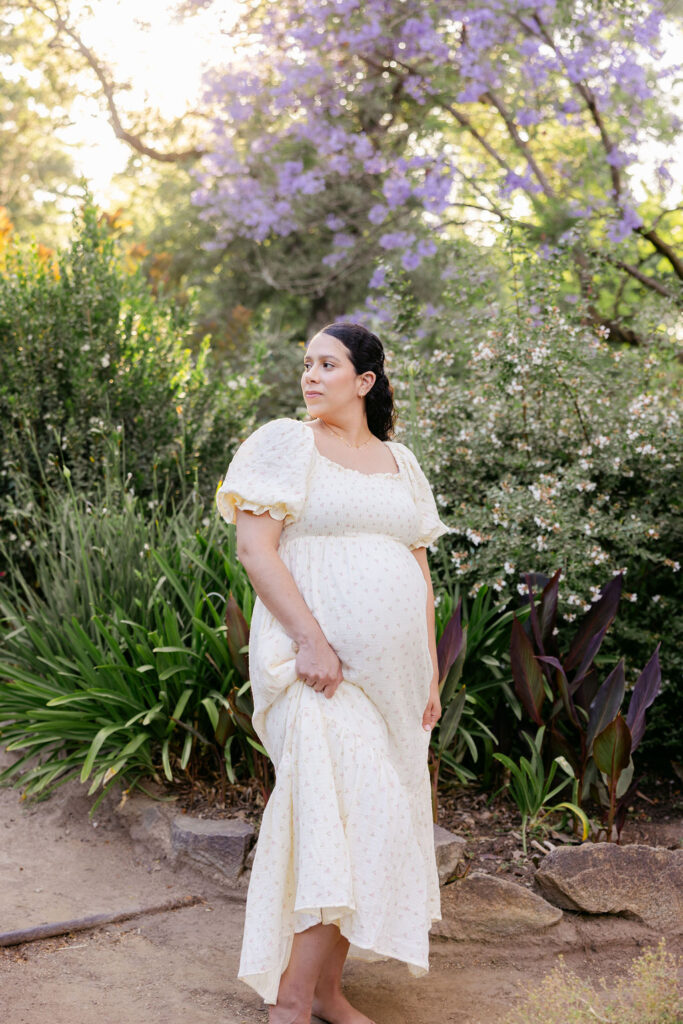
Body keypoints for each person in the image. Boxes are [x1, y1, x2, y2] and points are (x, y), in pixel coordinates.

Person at [215, 322, 450, 1024]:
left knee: (372, 821)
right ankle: (290, 999)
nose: (310, 376)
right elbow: (256, 552)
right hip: (309, 670)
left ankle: (324, 991)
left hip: (395, 680)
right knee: (340, 813)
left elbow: (418, 569)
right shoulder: (284, 444)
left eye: (327, 364)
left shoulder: (399, 462)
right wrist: (311, 642)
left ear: (365, 381)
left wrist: (431, 673)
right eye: (306, 363)